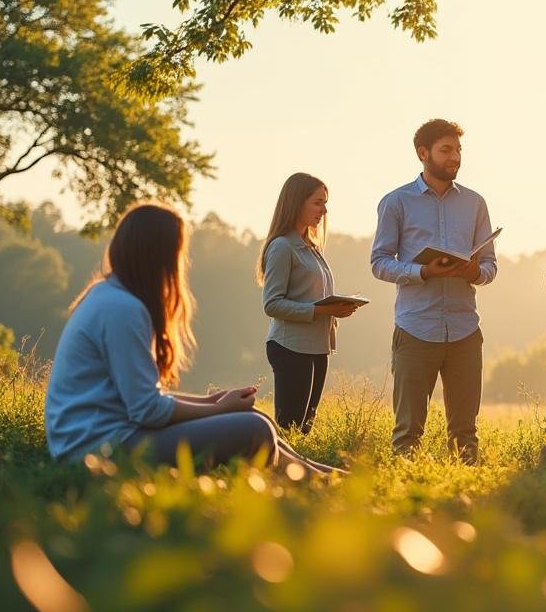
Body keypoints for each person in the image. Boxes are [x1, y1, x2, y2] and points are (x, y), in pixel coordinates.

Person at [44, 203, 338, 474]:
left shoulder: (110, 295)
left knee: (259, 421)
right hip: (98, 449)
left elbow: (141, 398)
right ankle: (314, 479)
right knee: (253, 430)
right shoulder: (123, 308)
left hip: (108, 435)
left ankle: (317, 474)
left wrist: (210, 401)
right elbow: (148, 410)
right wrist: (219, 409)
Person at [370, 118, 497, 463]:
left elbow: (490, 266)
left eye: (458, 150)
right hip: (415, 330)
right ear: (423, 153)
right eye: (446, 150)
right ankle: (403, 502)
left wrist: (476, 273)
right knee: (408, 432)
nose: (455, 157)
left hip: (464, 330)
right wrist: (421, 271)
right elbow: (379, 262)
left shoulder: (475, 203)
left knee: (465, 434)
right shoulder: (396, 202)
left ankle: (466, 500)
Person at [259, 172, 359, 433]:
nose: (324, 210)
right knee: (289, 429)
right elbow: (272, 304)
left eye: (325, 203)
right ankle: (275, 472)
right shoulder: (282, 247)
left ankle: (300, 472)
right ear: (296, 202)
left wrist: (338, 309)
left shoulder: (312, 247)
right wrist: (322, 310)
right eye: (318, 202)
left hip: (318, 348)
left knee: (305, 430)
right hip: (291, 347)